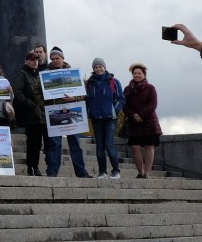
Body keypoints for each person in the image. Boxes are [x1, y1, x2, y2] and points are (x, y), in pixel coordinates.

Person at [42, 47, 91, 178]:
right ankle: (52, 171)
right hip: (53, 112)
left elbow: (83, 94)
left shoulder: (73, 73)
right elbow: (39, 93)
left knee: (75, 144)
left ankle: (81, 172)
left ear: (63, 58)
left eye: (57, 58)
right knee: (54, 144)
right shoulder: (44, 74)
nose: (54, 60)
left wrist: (74, 98)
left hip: (72, 109)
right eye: (52, 58)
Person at [85, 57, 124, 179]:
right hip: (96, 118)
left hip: (110, 118)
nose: (98, 69)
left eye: (100, 66)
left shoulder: (114, 81)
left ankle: (116, 171)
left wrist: (115, 110)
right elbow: (86, 100)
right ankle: (102, 172)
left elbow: (121, 98)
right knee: (99, 146)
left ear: (104, 67)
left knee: (108, 144)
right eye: (96, 67)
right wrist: (88, 112)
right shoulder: (89, 84)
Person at [123, 63, 161, 179]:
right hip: (133, 121)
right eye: (135, 73)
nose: (137, 75)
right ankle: (140, 172)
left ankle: (147, 173)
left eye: (139, 73)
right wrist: (133, 115)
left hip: (148, 121)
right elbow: (124, 105)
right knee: (135, 147)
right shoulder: (127, 89)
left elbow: (153, 104)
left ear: (144, 74)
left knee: (149, 146)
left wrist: (141, 115)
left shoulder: (151, 88)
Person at [11, 50, 46, 176]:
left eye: (36, 60)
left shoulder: (39, 75)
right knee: (32, 141)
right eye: (32, 60)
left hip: (40, 113)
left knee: (37, 143)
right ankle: (31, 167)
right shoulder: (22, 75)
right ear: (26, 61)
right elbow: (17, 92)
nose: (35, 62)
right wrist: (28, 103)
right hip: (29, 114)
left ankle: (35, 166)